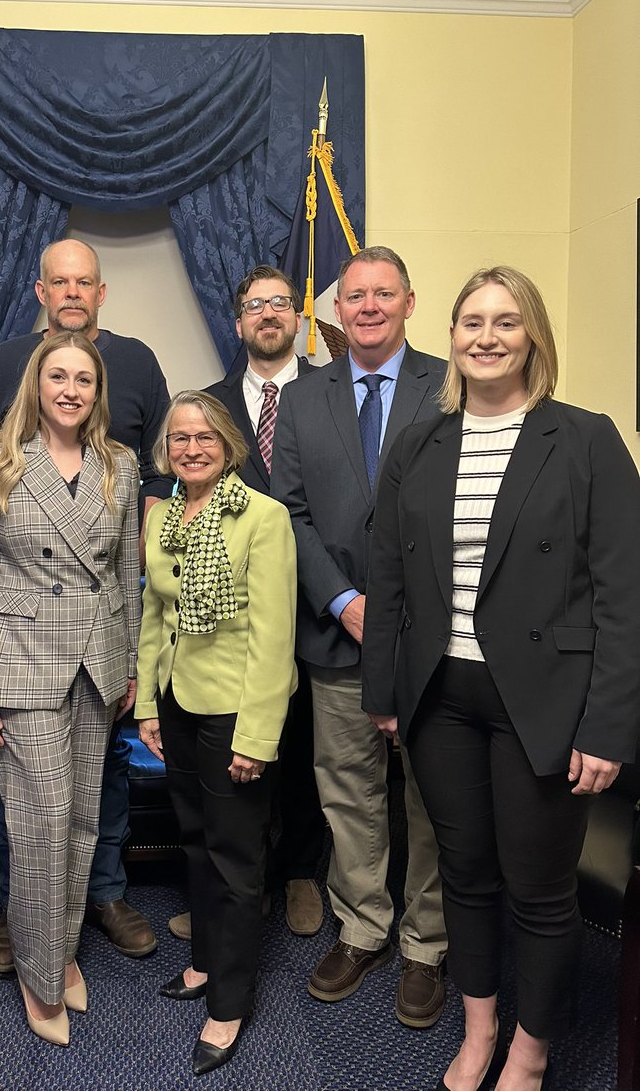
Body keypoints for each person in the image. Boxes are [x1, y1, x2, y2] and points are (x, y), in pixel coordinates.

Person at [362, 266, 640, 1091]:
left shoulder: (587, 438)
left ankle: (531, 1049)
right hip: (440, 699)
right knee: (464, 876)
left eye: (506, 322)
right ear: (449, 337)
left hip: (544, 703)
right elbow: (388, 578)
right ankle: (479, 1028)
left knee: (540, 891)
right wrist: (384, 690)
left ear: (533, 337)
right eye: (471, 321)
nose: (486, 336)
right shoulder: (418, 443)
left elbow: (624, 595)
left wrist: (608, 726)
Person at [0, 237, 169, 968]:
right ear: (40, 291)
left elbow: (158, 474)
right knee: (24, 779)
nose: (73, 292)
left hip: (106, 600)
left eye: (85, 281)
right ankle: (21, 910)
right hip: (26, 619)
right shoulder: (2, 363)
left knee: (102, 769)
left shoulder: (140, 362)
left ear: (102, 292)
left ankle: (102, 891)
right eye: (61, 281)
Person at [271, 245, 448, 1026]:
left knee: (432, 795)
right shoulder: (305, 399)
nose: (368, 306)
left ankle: (426, 944)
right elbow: (290, 514)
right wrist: (340, 599)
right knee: (349, 791)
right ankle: (364, 926)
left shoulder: (450, 385)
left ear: (409, 301)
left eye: (384, 293)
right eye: (355, 296)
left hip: (434, 638)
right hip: (339, 632)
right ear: (336, 311)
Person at [0, 331, 141, 1047]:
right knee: (39, 821)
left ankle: (61, 952)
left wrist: (123, 663)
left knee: (83, 819)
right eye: (58, 376)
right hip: (20, 657)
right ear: (37, 383)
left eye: (84, 380)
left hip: (96, 659)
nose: (70, 389)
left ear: (97, 392)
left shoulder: (118, 465)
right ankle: (38, 974)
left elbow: (125, 576)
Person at [136, 390, 297, 1076]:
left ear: (228, 445)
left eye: (204, 436)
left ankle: (228, 1005)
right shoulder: (164, 518)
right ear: (166, 451)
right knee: (195, 844)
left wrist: (257, 737)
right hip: (177, 699)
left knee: (235, 862)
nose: (191, 447)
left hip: (234, 710)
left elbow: (273, 637)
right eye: (179, 438)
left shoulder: (263, 518)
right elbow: (153, 614)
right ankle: (203, 962)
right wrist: (146, 704)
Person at [202, 264, 325, 938]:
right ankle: (232, 880)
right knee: (236, 748)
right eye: (255, 305)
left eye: (280, 303)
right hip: (233, 611)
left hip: (316, 600)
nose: (269, 314)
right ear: (238, 320)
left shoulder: (331, 392)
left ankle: (301, 870)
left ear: (297, 317)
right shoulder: (209, 403)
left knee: (306, 743)